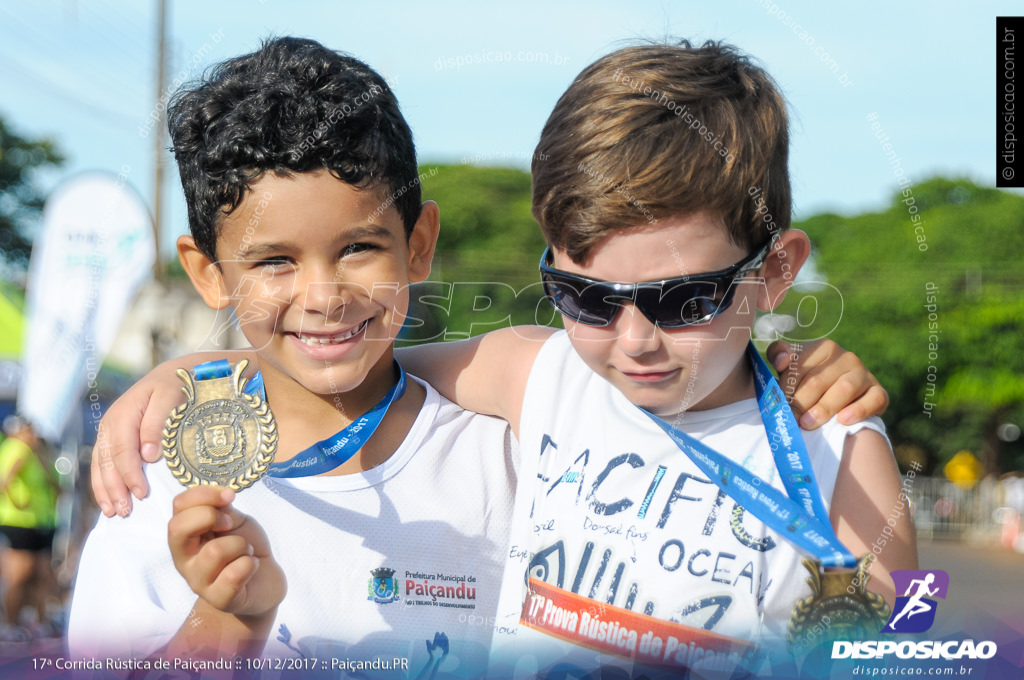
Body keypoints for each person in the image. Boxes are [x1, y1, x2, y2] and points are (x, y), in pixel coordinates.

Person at [87, 40, 897, 676]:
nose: (634, 336)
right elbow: (350, 355)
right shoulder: (542, 380)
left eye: (686, 300)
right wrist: (197, 371)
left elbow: (905, 636)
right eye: (587, 299)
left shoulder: (834, 448)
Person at [67, 38, 518, 676]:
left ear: (418, 245)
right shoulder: (153, 482)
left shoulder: (503, 462)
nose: (324, 297)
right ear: (209, 272)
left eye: (360, 246)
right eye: (274, 260)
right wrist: (227, 622)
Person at [0, 415, 59, 639]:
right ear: (18, 431)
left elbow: (51, 482)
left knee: (41, 573)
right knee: (20, 574)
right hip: (19, 521)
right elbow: (5, 479)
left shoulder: (32, 451)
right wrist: (17, 501)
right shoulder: (17, 448)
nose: (33, 434)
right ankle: (11, 625)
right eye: (29, 430)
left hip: (38, 520)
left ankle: (37, 621)